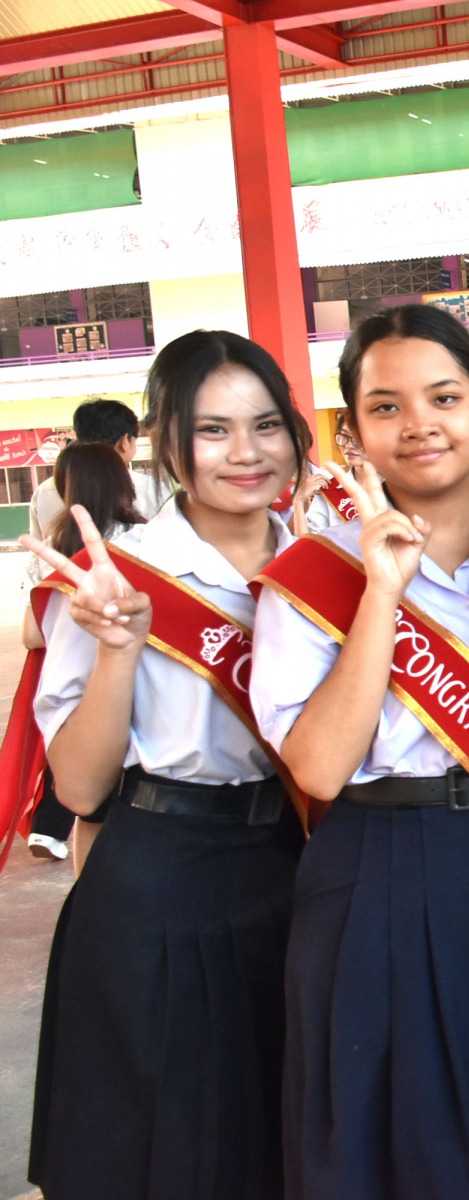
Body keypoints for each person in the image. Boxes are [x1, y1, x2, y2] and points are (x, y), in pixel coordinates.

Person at [250, 304, 469, 1200]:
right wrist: (381, 594)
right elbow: (320, 769)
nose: (419, 425)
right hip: (375, 870)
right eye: (385, 407)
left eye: (443, 397)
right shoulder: (313, 574)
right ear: (352, 432)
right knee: (393, 1131)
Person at [23, 330, 311, 1200]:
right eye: (213, 429)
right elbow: (79, 788)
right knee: (161, 1150)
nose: (245, 452)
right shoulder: (116, 576)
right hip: (158, 883)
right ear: (167, 440)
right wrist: (119, 651)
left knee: (288, 1141)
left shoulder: (332, 561)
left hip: (301, 872)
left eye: (266, 425)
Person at [21, 442, 147, 866]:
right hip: (135, 691)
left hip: (81, 696)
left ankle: (85, 891)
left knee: (90, 810)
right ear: (124, 483)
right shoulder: (144, 544)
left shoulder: (59, 550)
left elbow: (32, 635)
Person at [28, 399, 167, 580]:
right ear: (125, 441)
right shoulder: (151, 488)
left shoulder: (44, 492)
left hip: (64, 588)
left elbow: (39, 554)